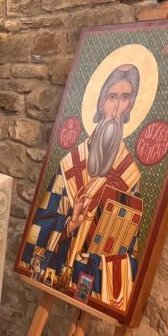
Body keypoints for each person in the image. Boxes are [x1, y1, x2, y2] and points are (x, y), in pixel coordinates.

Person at [21, 64, 144, 311]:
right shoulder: (70, 163)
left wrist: (96, 257)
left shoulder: (130, 174)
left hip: (89, 276)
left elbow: (129, 250)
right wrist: (69, 226)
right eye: (112, 97)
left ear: (131, 106)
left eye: (125, 98)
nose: (116, 109)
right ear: (101, 102)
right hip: (58, 266)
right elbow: (39, 226)